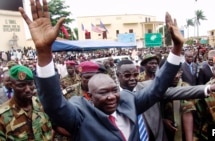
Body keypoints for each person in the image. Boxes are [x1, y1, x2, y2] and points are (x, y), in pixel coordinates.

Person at [19, 1, 184, 140]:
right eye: (104, 93)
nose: (112, 96)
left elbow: (158, 87)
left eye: (114, 90)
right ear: (90, 97)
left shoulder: (128, 101)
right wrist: (44, 52)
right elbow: (54, 105)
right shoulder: (80, 115)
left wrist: (177, 48)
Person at [0, 65, 53, 140]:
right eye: (21, 85)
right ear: (11, 85)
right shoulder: (2, 116)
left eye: (30, 84)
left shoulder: (42, 104)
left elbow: (54, 129)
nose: (28, 89)